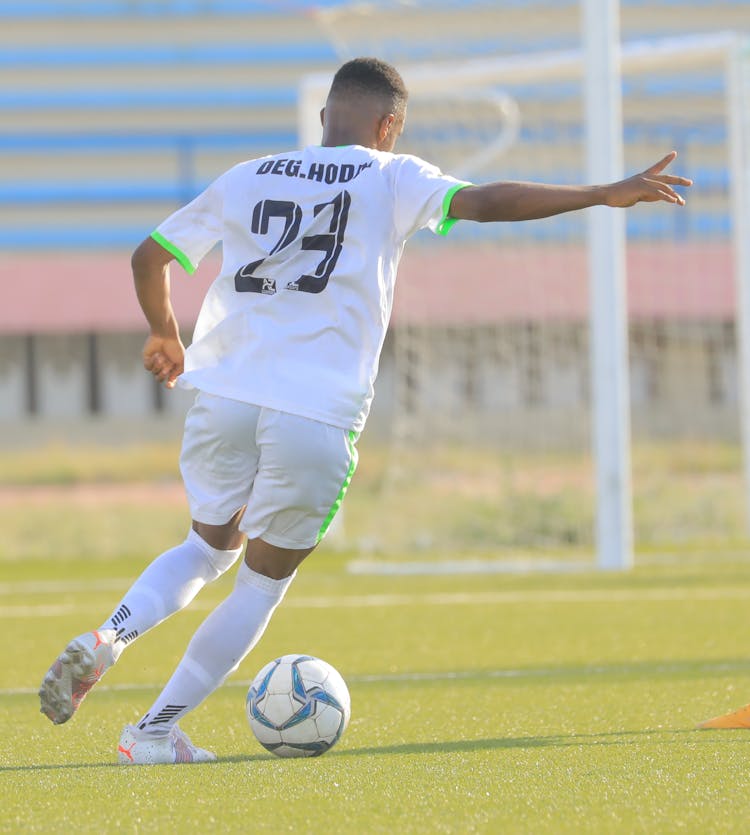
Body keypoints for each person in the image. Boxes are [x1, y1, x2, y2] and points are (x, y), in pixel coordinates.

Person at [38, 57, 692, 765]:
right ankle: (155, 731)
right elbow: (483, 201)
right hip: (314, 412)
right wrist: (601, 192)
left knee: (204, 547)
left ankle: (110, 635)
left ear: (324, 118)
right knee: (261, 580)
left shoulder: (249, 174)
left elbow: (149, 256)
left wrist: (166, 334)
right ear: (389, 125)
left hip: (223, 395)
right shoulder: (391, 175)